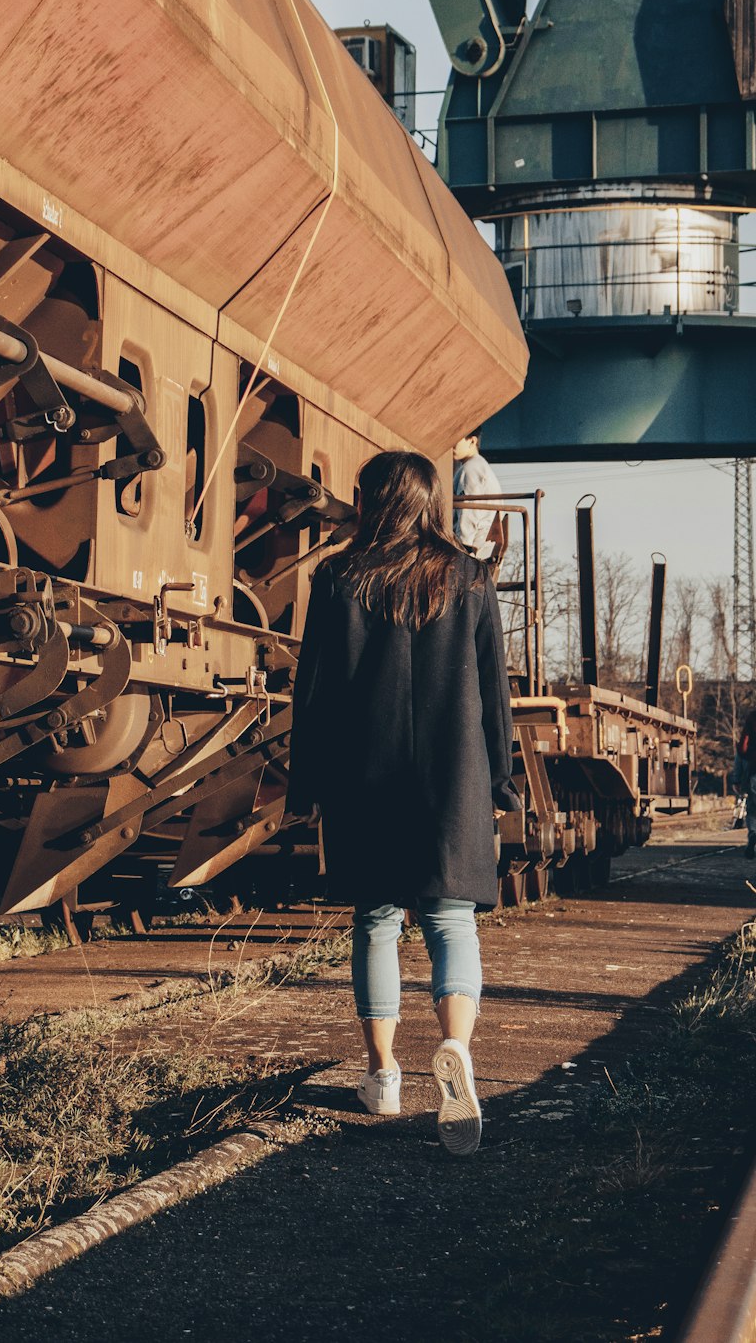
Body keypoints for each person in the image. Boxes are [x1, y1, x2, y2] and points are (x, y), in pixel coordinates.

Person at [289, 449, 520, 1156]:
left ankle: (383, 1074)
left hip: (367, 775)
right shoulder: (472, 580)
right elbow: (493, 693)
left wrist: (306, 784)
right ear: (431, 504)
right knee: (453, 923)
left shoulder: (336, 577)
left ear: (372, 501)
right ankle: (455, 1048)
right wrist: (502, 781)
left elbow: (314, 692)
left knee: (378, 921)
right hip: (455, 774)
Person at [452, 429, 503, 560]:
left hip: (473, 547)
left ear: (472, 441)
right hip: (483, 545)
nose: (451, 446)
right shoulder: (480, 466)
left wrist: (463, 548)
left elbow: (469, 512)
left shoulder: (470, 469)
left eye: (455, 441)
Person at [732, 711, 756, 858]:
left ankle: (753, 833)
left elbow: (740, 756)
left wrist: (736, 780)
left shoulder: (750, 724)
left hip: (752, 775)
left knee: (752, 810)